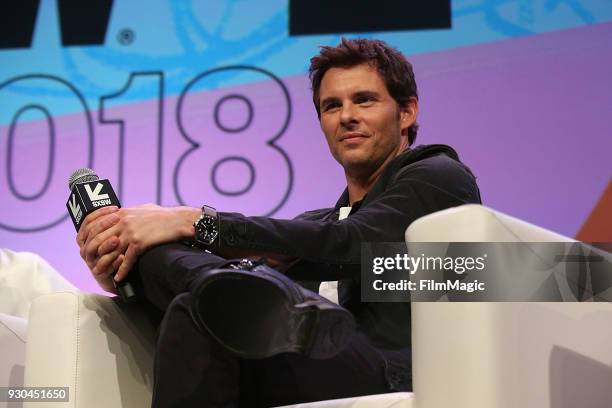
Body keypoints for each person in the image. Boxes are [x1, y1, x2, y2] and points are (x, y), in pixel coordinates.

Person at [77, 38, 482, 407]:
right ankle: (223, 286)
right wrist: (123, 268)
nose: (346, 117)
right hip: (301, 363)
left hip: (391, 376)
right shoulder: (315, 223)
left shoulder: (439, 176)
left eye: (364, 100)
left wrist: (195, 221)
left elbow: (352, 242)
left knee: (222, 295)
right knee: (206, 307)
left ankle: (225, 285)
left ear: (407, 111)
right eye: (331, 106)